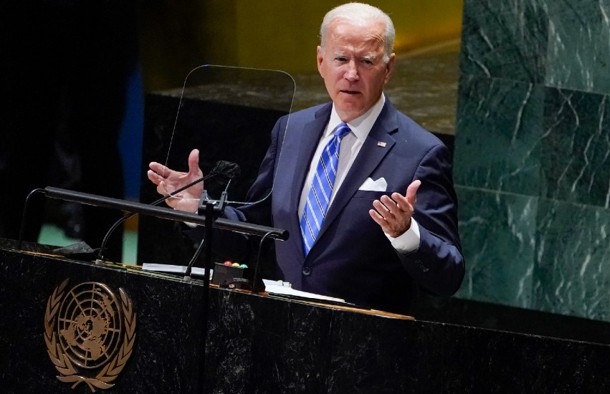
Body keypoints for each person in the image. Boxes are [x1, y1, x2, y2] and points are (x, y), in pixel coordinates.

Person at [146, 2, 464, 313]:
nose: (351, 74)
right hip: (279, 333)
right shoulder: (291, 130)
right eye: (341, 58)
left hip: (363, 348)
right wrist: (198, 209)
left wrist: (405, 234)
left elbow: (448, 276)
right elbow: (256, 232)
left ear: (389, 67)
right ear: (320, 60)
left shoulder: (420, 152)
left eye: (366, 62)